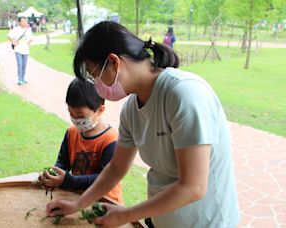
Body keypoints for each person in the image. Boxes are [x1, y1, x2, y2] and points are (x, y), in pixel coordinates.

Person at [46, 21, 240, 228]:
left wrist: (124, 215)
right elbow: (116, 168)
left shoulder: (185, 94)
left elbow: (193, 187)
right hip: (163, 220)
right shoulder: (131, 108)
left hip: (206, 223)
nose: (97, 84)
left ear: (114, 62)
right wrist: (78, 204)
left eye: (95, 75)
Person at [40, 78, 123, 203]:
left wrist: (68, 181)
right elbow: (63, 162)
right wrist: (54, 173)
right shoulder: (71, 132)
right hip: (78, 198)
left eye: (80, 116)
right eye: (70, 113)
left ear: (100, 110)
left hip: (106, 201)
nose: (75, 119)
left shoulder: (111, 140)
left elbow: (104, 178)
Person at [8, 17, 33, 85]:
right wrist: (13, 42)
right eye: (23, 21)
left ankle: (23, 78)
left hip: (26, 50)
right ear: (20, 22)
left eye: (25, 21)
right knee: (20, 64)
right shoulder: (16, 29)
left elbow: (31, 38)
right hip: (18, 49)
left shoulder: (28, 29)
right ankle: (19, 79)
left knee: (24, 65)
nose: (24, 22)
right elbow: (9, 36)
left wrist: (28, 44)